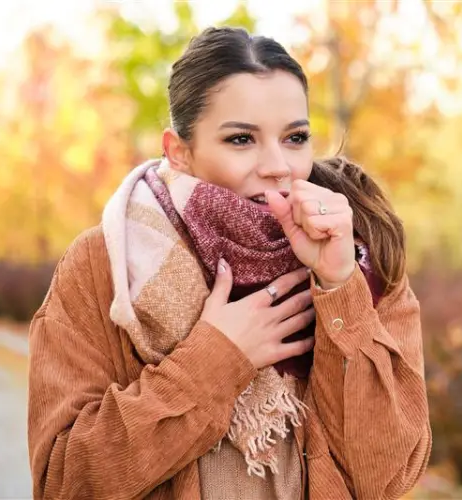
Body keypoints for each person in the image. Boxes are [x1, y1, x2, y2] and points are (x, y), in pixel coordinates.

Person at [27, 26, 431, 500]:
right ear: (180, 151)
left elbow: (386, 478)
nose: (278, 165)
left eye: (295, 137)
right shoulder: (107, 264)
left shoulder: (366, 258)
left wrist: (340, 285)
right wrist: (216, 359)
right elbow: (65, 483)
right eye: (241, 139)